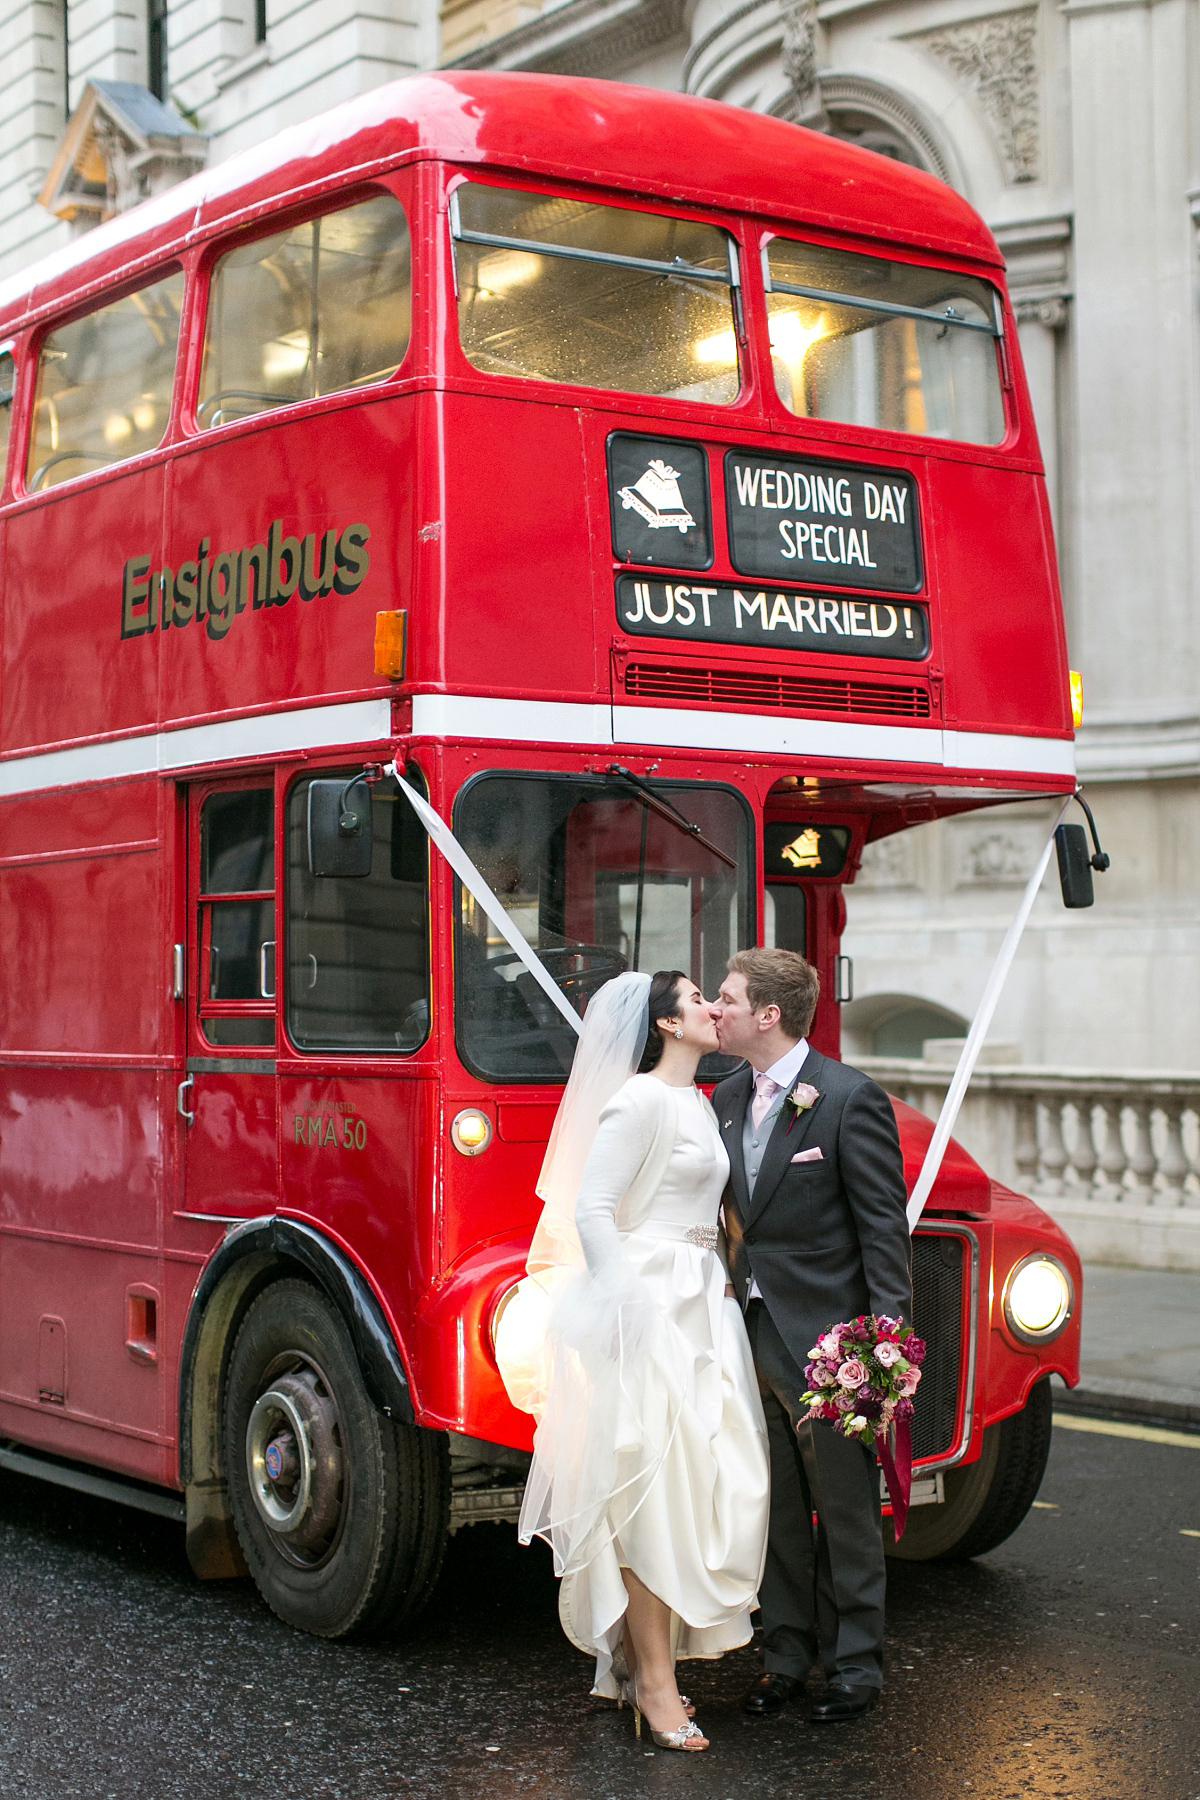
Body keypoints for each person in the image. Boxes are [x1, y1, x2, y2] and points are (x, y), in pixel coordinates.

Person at [496, 969, 769, 1753]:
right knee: (650, 1490)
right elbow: (591, 1208)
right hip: (648, 1305)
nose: (714, 1009)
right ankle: (654, 1681)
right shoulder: (638, 1099)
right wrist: (628, 1304)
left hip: (701, 1302)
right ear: (664, 1026)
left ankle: (641, 1658)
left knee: (711, 1483)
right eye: (696, 1001)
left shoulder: (698, 1102)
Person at [710, 948, 911, 1723]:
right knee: (777, 1508)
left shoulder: (849, 1099)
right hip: (749, 1332)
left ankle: (856, 1667)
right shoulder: (724, 1096)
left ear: (768, 1014)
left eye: (727, 999)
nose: (716, 1009)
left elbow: (882, 1235)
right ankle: (786, 1657)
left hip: (835, 1346)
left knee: (847, 1509)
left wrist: (882, 1353)